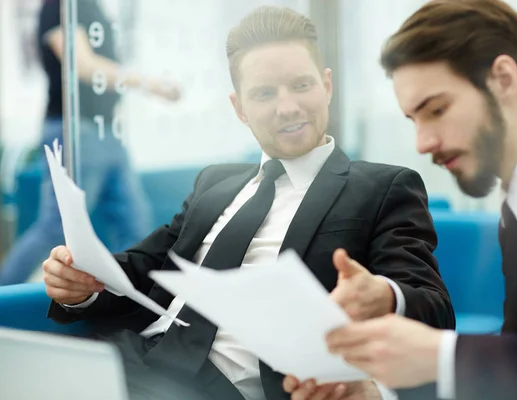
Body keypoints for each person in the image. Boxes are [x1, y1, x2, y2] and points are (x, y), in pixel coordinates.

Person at [42, 5, 454, 400]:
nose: (287, 106)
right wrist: (79, 286)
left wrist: (383, 295)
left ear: (326, 86)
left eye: (301, 85)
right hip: (131, 360)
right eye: (264, 93)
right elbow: (144, 268)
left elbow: (433, 307)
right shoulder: (214, 184)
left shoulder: (384, 188)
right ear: (239, 108)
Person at [286, 0, 517, 399]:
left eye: (437, 109)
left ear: (503, 79)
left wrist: (442, 355)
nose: (423, 143)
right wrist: (379, 393)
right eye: (414, 120)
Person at [0, 0, 179, 285]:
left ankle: (126, 303)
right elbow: (82, 65)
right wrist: (150, 84)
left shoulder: (91, 8)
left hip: (107, 131)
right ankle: (4, 295)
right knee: (57, 225)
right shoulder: (60, 5)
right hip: (74, 130)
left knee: (132, 222)